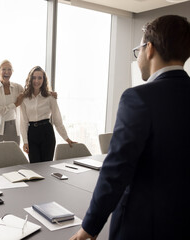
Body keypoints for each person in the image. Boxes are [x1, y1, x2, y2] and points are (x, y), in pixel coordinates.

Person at [69, 15, 190, 240]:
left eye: (138, 50)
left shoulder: (139, 98)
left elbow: (117, 169)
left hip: (144, 226)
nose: (139, 58)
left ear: (149, 49)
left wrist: (89, 228)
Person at [20, 66, 75, 163]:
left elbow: (57, 120)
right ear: (30, 79)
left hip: (47, 133)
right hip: (32, 133)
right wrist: (25, 141)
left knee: (46, 166)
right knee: (35, 166)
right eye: (34, 77)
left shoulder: (50, 97)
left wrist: (66, 138)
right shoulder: (24, 98)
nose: (36, 81)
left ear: (44, 80)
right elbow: (23, 121)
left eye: (40, 78)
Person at [0, 60, 24, 145]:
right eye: (4, 69)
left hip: (13, 126)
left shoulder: (18, 87)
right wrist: (15, 105)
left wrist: (48, 93)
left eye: (9, 69)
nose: (7, 72)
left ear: (12, 72)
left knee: (13, 156)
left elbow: (31, 95)